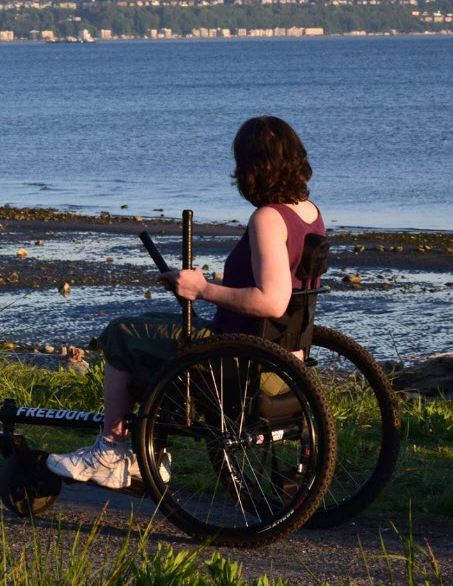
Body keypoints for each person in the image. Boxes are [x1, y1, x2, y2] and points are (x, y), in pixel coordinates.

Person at [46, 116, 326, 489]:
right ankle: (151, 448)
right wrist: (188, 283)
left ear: (251, 167)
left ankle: (112, 451)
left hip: (240, 360)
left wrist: (202, 289)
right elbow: (282, 289)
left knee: (120, 333)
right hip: (286, 360)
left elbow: (273, 301)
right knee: (148, 320)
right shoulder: (309, 213)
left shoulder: (267, 218)